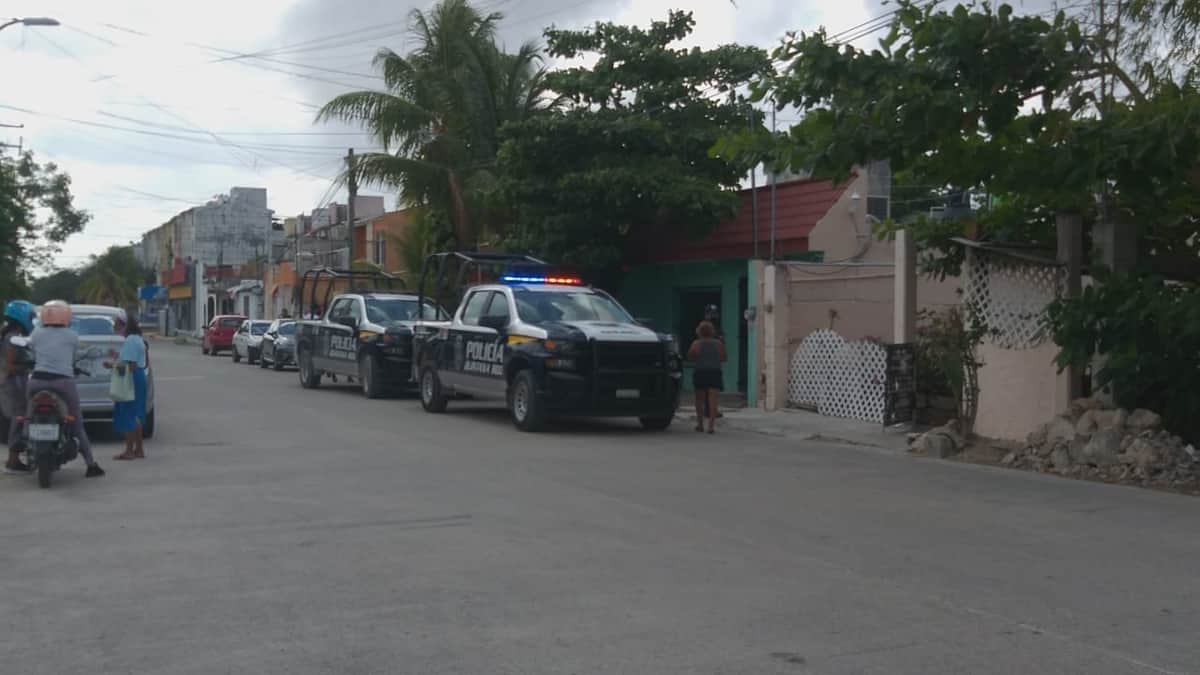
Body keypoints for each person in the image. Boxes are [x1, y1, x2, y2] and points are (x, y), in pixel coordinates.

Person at [27, 301, 105, 478]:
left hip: (37, 380)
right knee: (77, 423)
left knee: (27, 415)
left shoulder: (37, 332)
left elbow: (31, 352)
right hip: (63, 383)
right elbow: (74, 356)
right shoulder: (71, 335)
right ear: (66, 317)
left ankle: (19, 448)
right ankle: (91, 465)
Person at [2, 300, 35, 473]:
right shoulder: (12, 338)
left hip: (15, 382)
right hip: (14, 382)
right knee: (18, 418)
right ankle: (13, 460)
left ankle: (14, 458)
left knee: (19, 418)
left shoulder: (10, 335)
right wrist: (28, 366)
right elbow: (10, 366)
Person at [110, 314, 147, 460]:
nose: (114, 327)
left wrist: (112, 366)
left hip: (131, 379)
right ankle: (139, 449)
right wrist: (118, 358)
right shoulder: (136, 339)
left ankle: (129, 450)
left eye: (116, 324)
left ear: (124, 325)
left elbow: (130, 366)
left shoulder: (131, 340)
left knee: (129, 415)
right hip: (137, 377)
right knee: (135, 414)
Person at [688, 320, 727, 434]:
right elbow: (724, 358)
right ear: (712, 331)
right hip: (714, 372)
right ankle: (711, 426)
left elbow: (690, 356)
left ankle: (700, 424)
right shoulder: (719, 344)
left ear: (699, 331)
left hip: (700, 372)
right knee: (713, 400)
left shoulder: (696, 343)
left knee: (699, 400)